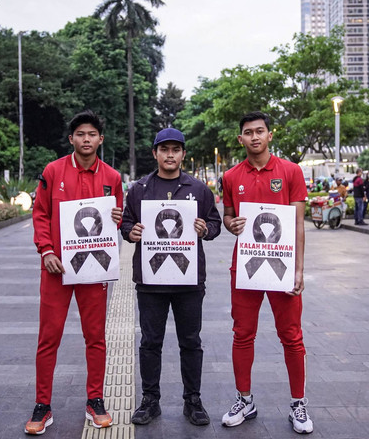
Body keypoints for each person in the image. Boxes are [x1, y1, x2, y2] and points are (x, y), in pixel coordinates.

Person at [26, 110, 124, 434]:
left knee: (95, 337)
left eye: (92, 134)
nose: (86, 139)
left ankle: (95, 400)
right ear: (71, 139)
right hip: (57, 269)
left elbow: (116, 219)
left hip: (94, 270)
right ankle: (42, 405)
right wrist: (46, 250)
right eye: (80, 134)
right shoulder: (53, 171)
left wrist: (118, 219)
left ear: (100, 139)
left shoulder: (112, 177)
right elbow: (40, 213)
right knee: (48, 337)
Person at [121, 128, 222, 426]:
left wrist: (206, 229)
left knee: (190, 341)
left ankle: (193, 400)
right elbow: (126, 222)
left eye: (175, 150)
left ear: (183, 154)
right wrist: (130, 231)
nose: (170, 155)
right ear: (155, 154)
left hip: (188, 281)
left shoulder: (199, 189)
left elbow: (215, 223)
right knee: (150, 342)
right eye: (164, 149)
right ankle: (150, 400)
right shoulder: (139, 189)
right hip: (150, 281)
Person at [221, 111, 313, 434]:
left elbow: (298, 224)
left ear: (270, 135)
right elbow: (228, 216)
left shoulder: (290, 171)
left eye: (260, 131)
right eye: (248, 132)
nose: (255, 137)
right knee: (242, 333)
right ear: (241, 139)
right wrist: (231, 224)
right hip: (245, 266)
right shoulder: (231, 176)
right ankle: (244, 399)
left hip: (282, 267)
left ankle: (298, 403)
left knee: (291, 336)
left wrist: (299, 270)